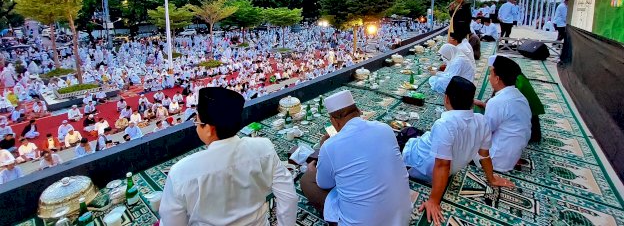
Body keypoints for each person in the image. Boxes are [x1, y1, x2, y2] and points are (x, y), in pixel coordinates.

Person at [159, 87, 297, 225]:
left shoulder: (181, 172)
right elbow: (289, 197)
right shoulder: (264, 147)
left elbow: (171, 222)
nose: (195, 126)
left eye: (197, 122)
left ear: (209, 129)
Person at [403, 77, 514, 225]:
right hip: (439, 161)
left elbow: (442, 165)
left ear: (446, 98)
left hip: (418, 164)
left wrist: (434, 201)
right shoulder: (481, 121)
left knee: (401, 135)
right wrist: (491, 178)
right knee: (416, 132)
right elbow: (484, 155)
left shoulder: (444, 124)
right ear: (471, 101)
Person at [300, 90, 411, 226]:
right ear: (358, 111)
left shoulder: (330, 146)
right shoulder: (385, 128)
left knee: (307, 180)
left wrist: (321, 156)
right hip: (402, 218)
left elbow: (324, 184)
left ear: (334, 121)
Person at [483, 55, 531, 172]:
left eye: (490, 74)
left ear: (497, 79)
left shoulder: (497, 102)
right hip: (512, 154)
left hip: (496, 158)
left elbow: (486, 131)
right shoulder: (520, 97)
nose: (489, 78)